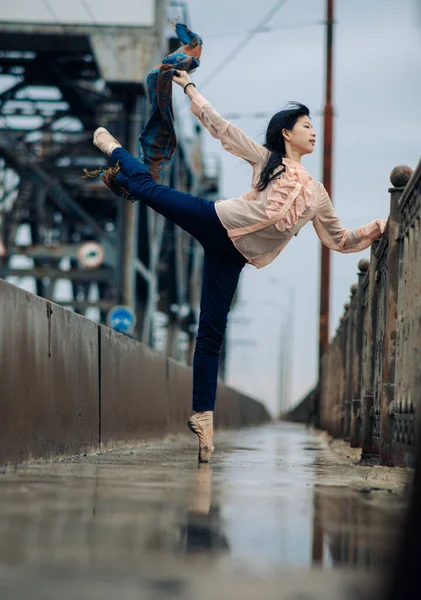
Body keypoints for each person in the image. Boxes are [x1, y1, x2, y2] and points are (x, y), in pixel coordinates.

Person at [93, 70, 386, 463]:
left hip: (233, 257)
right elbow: (223, 130)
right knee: (149, 191)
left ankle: (202, 418)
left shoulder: (317, 195)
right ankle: (113, 149)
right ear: (287, 133)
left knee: (210, 332)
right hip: (215, 220)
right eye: (306, 126)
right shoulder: (270, 161)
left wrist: (379, 227)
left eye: (314, 126)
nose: (313, 132)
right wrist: (189, 87)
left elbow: (340, 240)